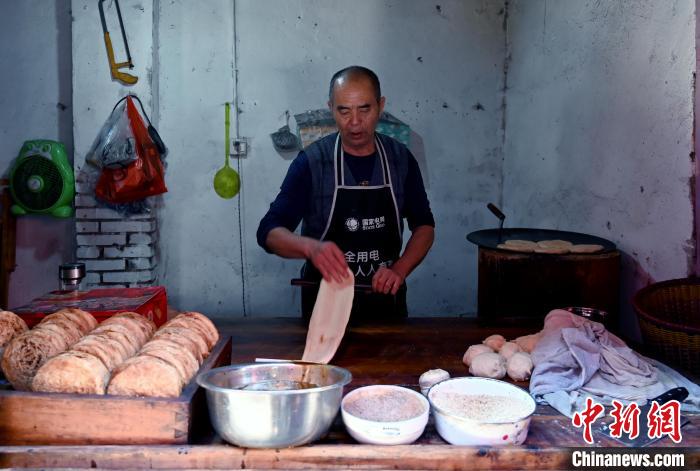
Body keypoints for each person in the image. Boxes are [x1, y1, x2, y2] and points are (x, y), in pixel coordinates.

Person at [257, 66, 435, 322]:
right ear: (331, 108)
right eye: (344, 111)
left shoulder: (400, 159)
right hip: (324, 306)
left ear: (380, 105)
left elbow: (424, 226)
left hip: (385, 303)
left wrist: (400, 269)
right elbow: (269, 232)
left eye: (364, 109)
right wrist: (311, 248)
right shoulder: (312, 162)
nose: (354, 122)